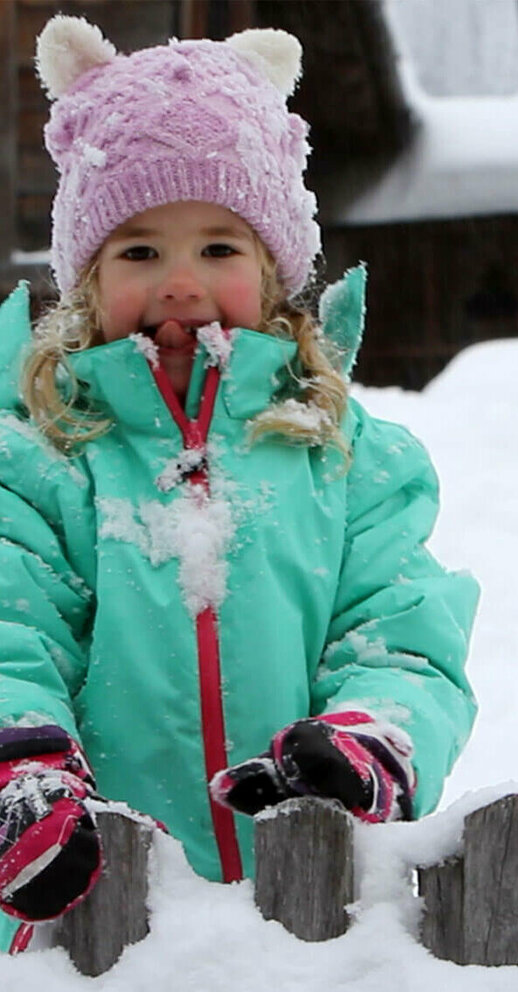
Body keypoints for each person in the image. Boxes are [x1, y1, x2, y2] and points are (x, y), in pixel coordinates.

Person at [0, 16, 478, 950]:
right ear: (89, 282)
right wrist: (24, 765)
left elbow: (403, 636)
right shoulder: (40, 460)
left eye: (219, 248)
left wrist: (369, 735)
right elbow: (12, 625)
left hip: (311, 923)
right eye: (139, 252)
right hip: (91, 927)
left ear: (273, 273)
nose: (181, 282)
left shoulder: (348, 460)